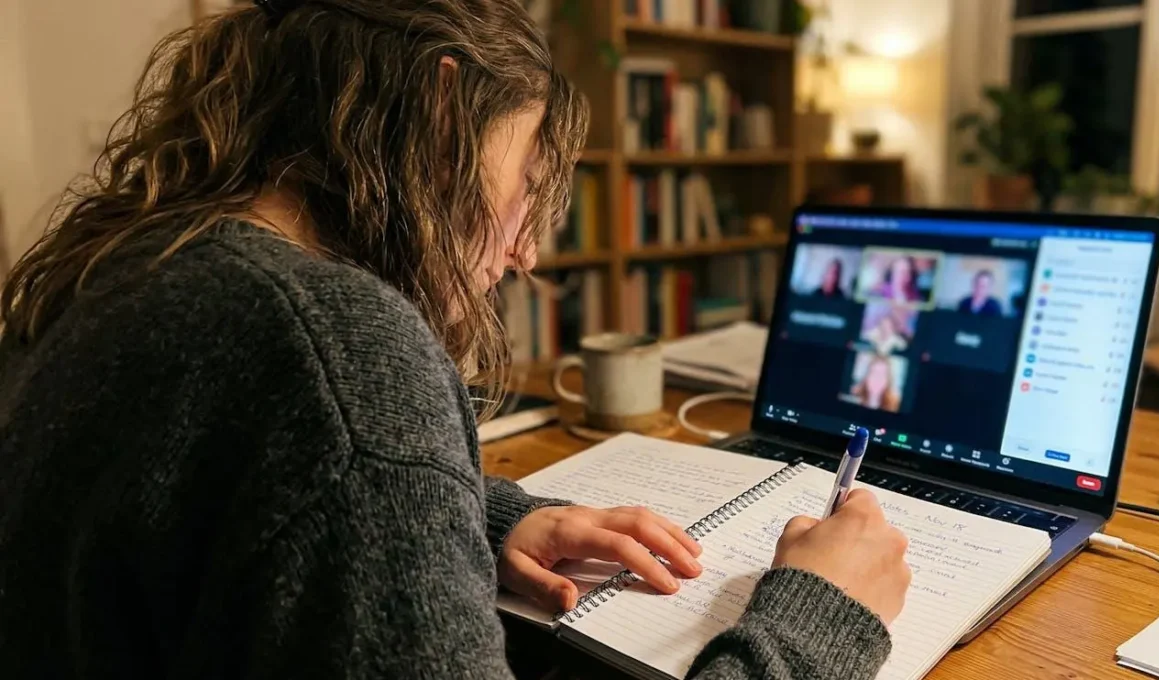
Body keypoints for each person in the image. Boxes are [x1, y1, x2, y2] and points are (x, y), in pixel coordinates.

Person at [0, 2, 912, 679]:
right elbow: (327, 427)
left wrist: (480, 511)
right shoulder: (338, 347)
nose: (521, 253)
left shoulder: (141, 260)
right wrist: (817, 621)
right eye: (522, 181)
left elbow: (227, 495)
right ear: (442, 119)